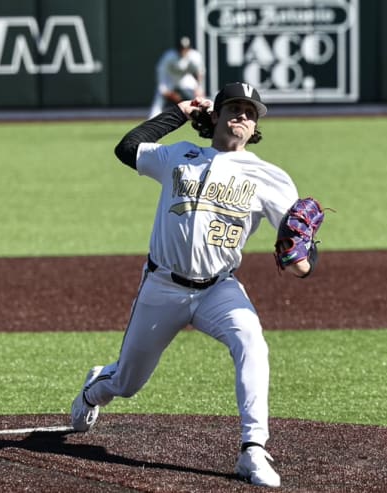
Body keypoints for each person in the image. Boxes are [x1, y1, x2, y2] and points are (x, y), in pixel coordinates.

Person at [71, 82, 316, 488]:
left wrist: (305, 264)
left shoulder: (270, 178)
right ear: (216, 115)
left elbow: (298, 250)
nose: (242, 115)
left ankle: (253, 449)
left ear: (255, 126)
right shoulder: (180, 155)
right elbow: (127, 148)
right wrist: (180, 111)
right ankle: (96, 389)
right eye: (234, 108)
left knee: (252, 342)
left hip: (218, 289)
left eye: (250, 111)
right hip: (162, 286)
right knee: (128, 383)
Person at [148, 36, 205, 119]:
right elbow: (161, 72)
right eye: (181, 48)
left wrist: (198, 88)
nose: (183, 51)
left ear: (189, 48)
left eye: (186, 48)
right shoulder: (169, 56)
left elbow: (200, 72)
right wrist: (165, 90)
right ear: (177, 48)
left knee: (199, 97)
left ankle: (203, 117)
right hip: (170, 78)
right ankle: (152, 118)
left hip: (185, 78)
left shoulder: (195, 56)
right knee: (159, 96)